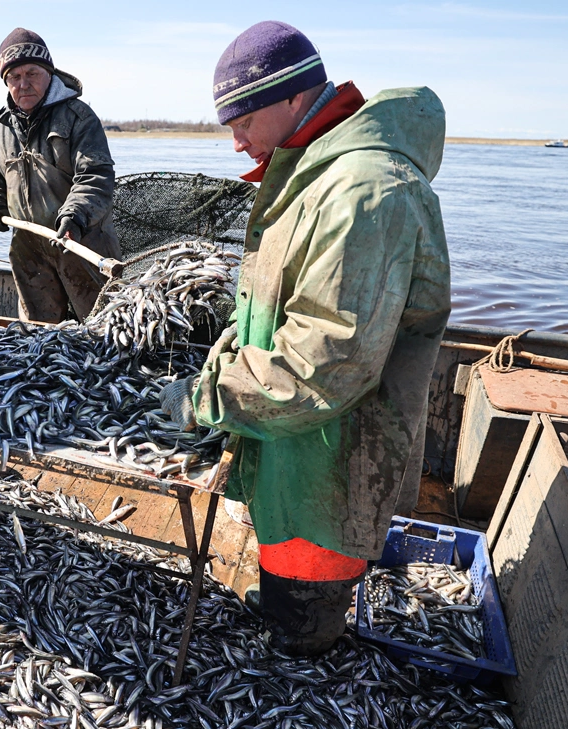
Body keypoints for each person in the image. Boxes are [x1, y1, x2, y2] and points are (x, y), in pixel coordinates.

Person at [159, 21, 451, 654]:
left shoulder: (363, 193)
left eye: (242, 119)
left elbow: (326, 364)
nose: (236, 142)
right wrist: (225, 358)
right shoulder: (307, 169)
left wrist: (208, 400)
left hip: (333, 452)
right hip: (293, 435)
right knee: (285, 566)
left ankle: (306, 636)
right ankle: (289, 610)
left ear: (294, 97)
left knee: (305, 613)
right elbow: (274, 304)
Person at [0, 28, 121, 323]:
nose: (23, 84)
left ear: (49, 74)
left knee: (101, 326)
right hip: (28, 247)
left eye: (32, 73)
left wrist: (74, 217)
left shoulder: (78, 117)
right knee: (38, 331)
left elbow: (95, 175)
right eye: (14, 77)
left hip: (81, 240)